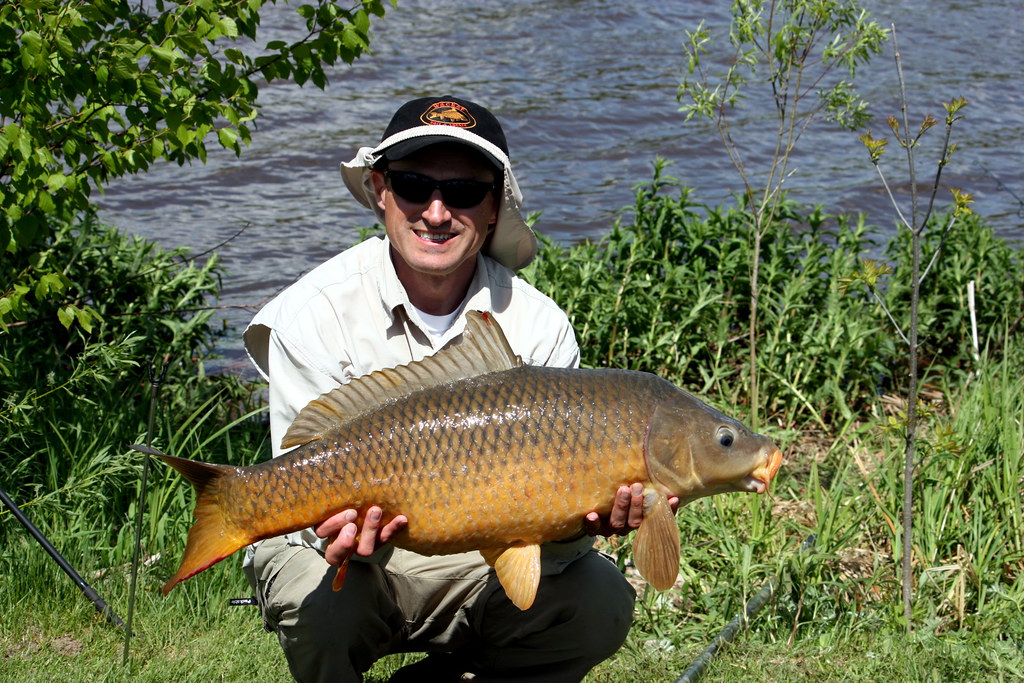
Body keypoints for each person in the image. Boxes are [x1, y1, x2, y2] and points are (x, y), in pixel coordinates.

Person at [242, 95, 670, 682]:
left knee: (598, 599)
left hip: (478, 565)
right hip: (353, 563)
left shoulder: (539, 325)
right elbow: (299, 474)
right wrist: (335, 533)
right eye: (415, 185)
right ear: (380, 190)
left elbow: (550, 542)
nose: (437, 212)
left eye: (465, 193)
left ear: (495, 208)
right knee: (317, 605)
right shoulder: (310, 314)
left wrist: (581, 523)